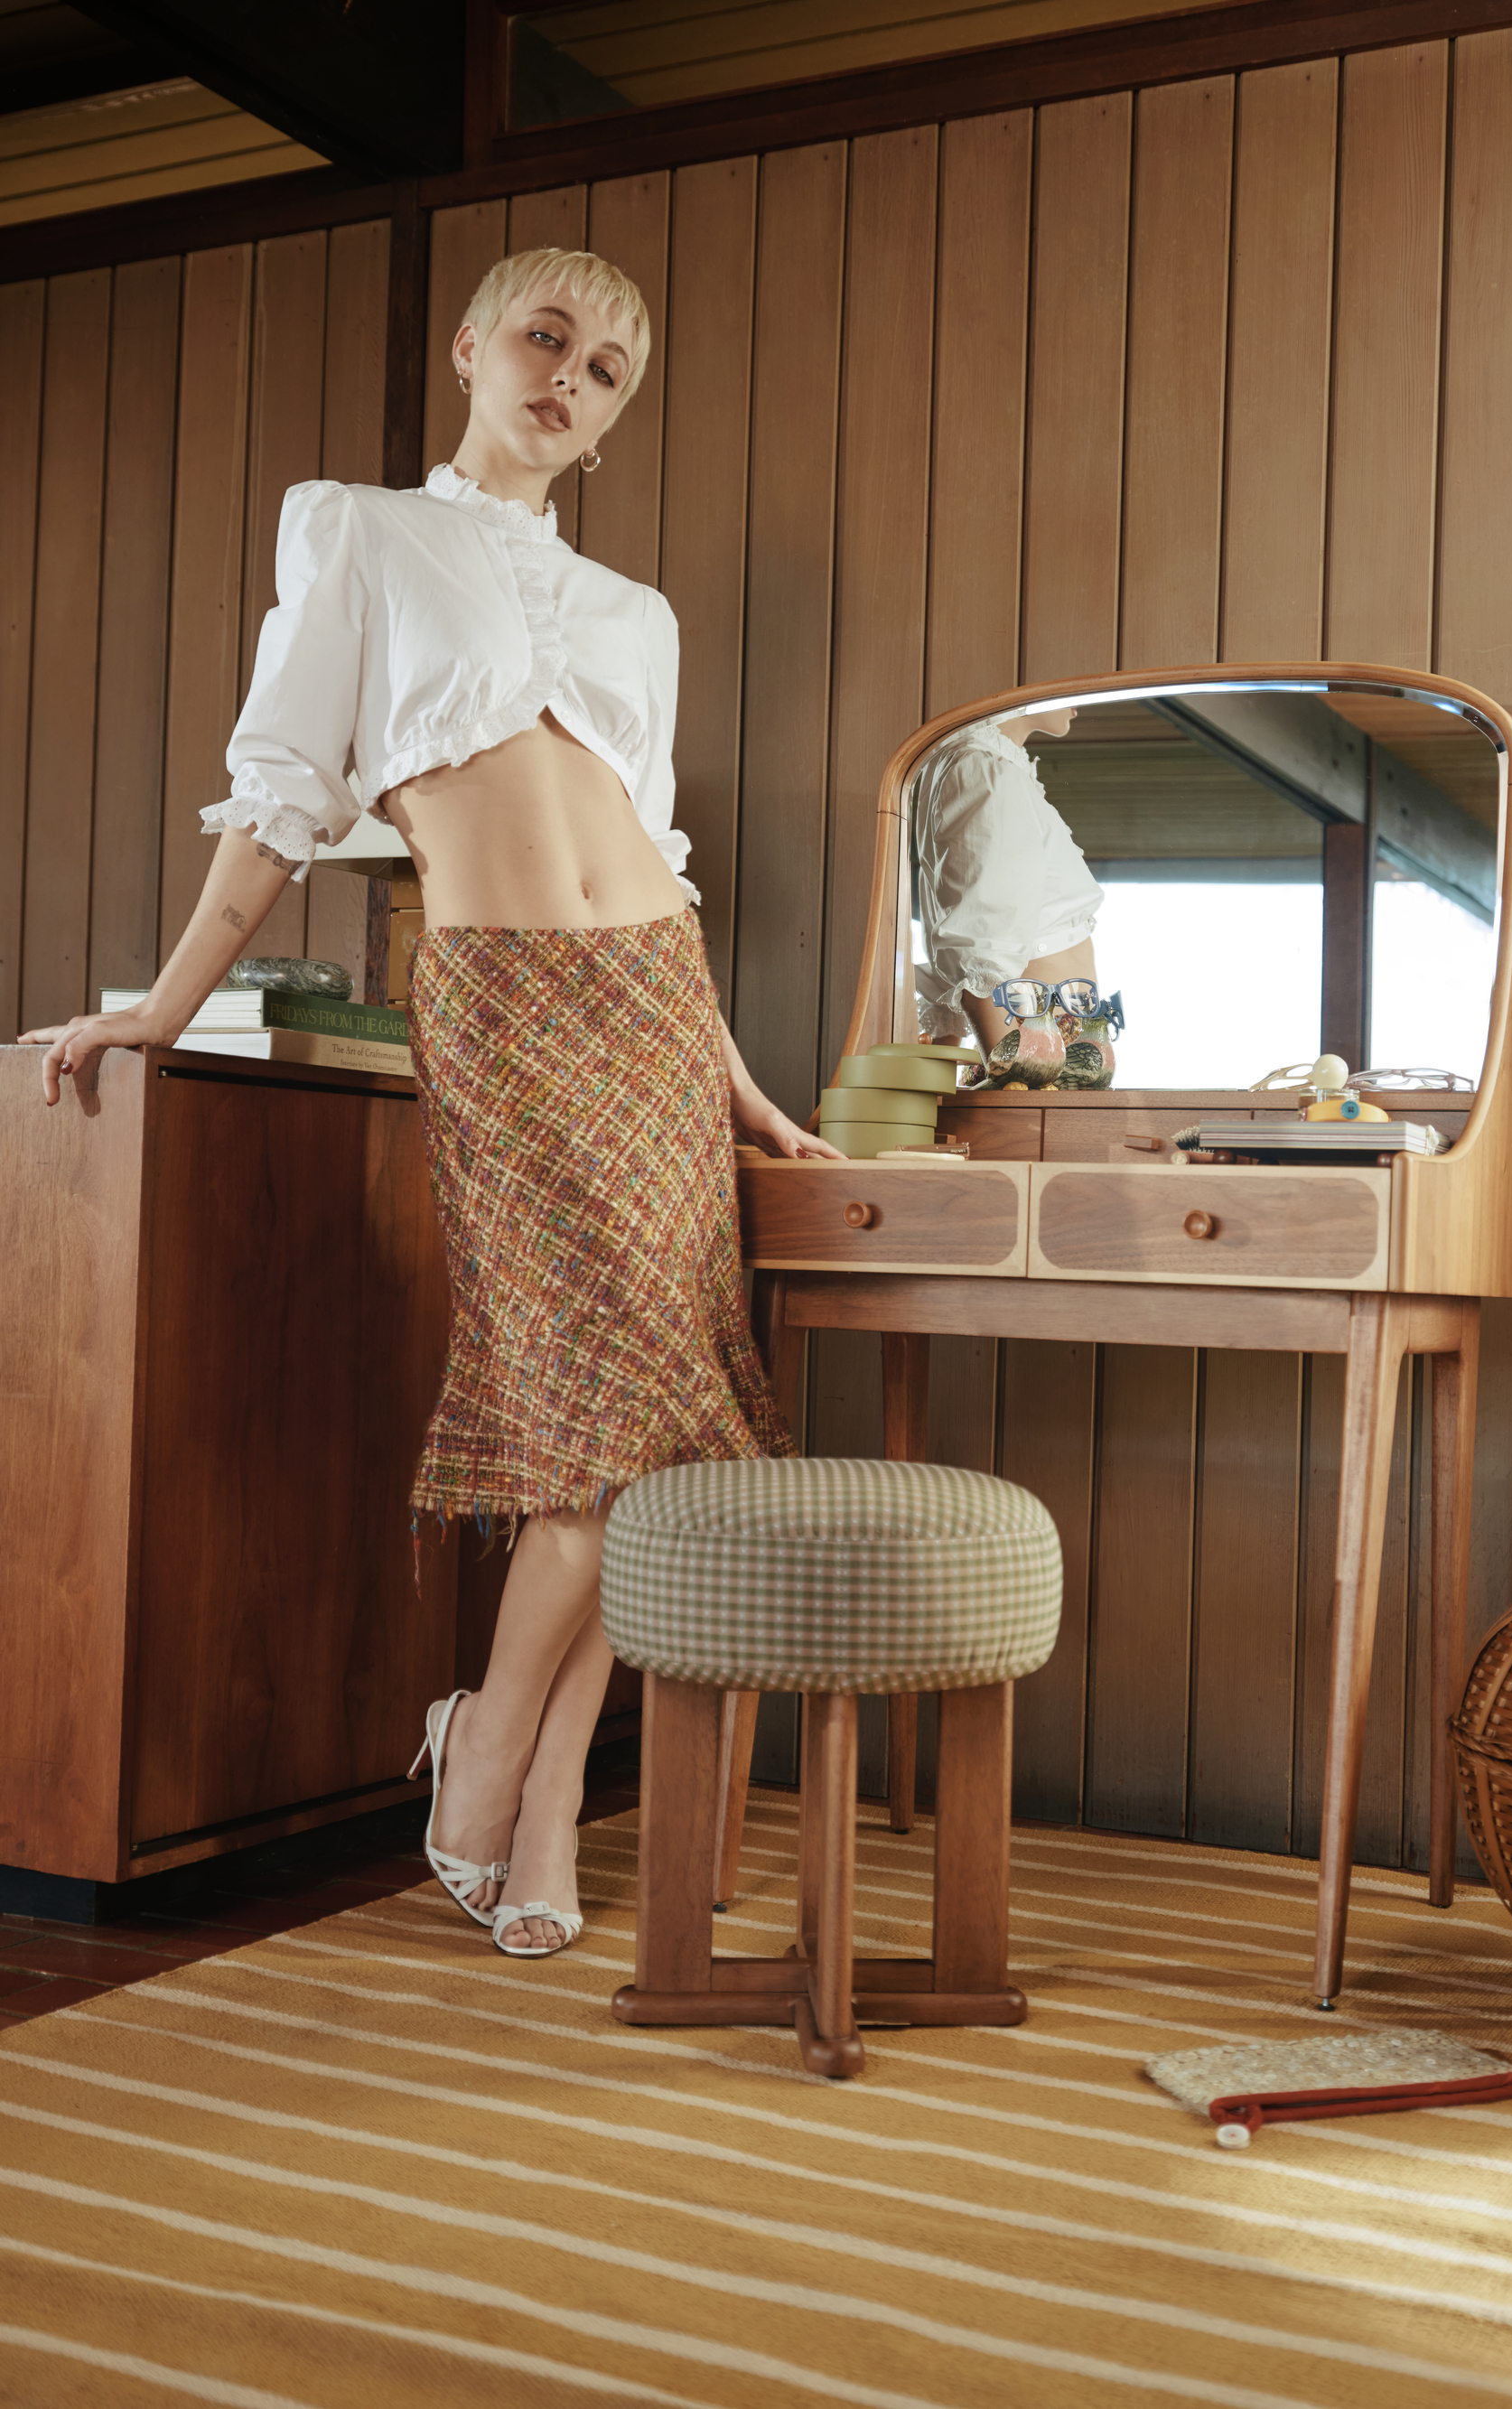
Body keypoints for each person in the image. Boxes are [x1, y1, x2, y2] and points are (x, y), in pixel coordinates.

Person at [18, 246, 839, 1961]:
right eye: (548, 339)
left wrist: (745, 1086)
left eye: (610, 366)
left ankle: (535, 1789)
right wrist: (160, 1010)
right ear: (473, 346)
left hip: (657, 1027)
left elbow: (663, 870)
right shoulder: (358, 533)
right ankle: (485, 1750)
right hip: (509, 1008)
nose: (572, 377)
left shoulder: (637, 619)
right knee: (588, 1442)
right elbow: (283, 789)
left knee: (662, 1443)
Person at [912, 705, 1104, 1060]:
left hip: (1043, 1059)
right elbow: (979, 943)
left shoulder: (992, 767)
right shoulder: (984, 769)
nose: (1087, 695)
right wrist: (1011, 1082)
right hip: (1035, 1065)